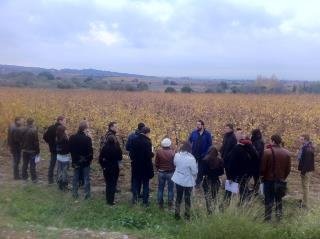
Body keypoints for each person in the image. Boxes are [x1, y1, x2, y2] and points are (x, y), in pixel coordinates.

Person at [261, 134, 291, 221]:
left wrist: (262, 177)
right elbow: (288, 169)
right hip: (280, 180)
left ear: (273, 141)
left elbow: (262, 169)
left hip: (268, 180)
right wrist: (282, 177)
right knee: (279, 199)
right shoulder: (287, 153)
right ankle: (279, 217)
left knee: (268, 200)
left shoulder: (266, 152)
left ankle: (267, 218)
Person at [227, 130, 259, 203]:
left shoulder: (237, 148)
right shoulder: (250, 146)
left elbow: (231, 163)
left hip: (236, 174)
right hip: (246, 173)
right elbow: (256, 158)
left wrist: (230, 175)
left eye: (236, 135)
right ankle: (243, 204)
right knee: (243, 189)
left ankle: (229, 205)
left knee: (230, 192)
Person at [171, 142, 198, 220]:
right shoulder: (191, 159)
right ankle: (187, 216)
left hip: (178, 179)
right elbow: (194, 172)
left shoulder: (177, 155)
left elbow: (175, 164)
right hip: (187, 182)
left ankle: (176, 215)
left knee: (178, 197)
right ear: (189, 149)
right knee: (187, 198)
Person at [69, 120, 93, 199]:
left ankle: (74, 193)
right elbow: (90, 151)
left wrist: (74, 158)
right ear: (85, 129)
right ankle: (87, 194)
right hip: (85, 162)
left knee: (75, 177)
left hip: (76, 161)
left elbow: (70, 149)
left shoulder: (72, 137)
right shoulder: (87, 139)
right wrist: (89, 160)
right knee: (86, 178)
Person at [131, 127, 154, 206]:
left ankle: (135, 200)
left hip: (136, 165)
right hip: (145, 166)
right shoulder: (147, 142)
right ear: (147, 133)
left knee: (136, 182)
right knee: (145, 184)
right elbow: (149, 155)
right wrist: (152, 154)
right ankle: (145, 201)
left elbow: (131, 152)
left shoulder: (134, 140)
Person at [99, 134, 123, 205]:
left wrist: (103, 166)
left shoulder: (104, 147)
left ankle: (108, 200)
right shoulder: (117, 148)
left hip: (106, 167)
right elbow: (120, 158)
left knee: (108, 184)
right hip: (115, 167)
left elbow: (100, 158)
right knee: (113, 183)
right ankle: (112, 200)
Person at [188, 120, 212, 186]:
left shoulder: (207, 134)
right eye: (197, 124)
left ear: (202, 126)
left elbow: (210, 145)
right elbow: (189, 141)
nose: (197, 126)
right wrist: (189, 150)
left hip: (203, 155)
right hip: (194, 154)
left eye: (199, 125)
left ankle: (197, 183)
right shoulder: (194, 133)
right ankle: (189, 181)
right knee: (191, 167)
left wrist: (206, 153)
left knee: (201, 170)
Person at [43, 116, 66, 184]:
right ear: (60, 121)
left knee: (52, 164)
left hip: (53, 149)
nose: (65, 122)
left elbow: (44, 137)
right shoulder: (62, 129)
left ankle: (50, 179)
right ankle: (59, 180)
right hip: (60, 150)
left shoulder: (51, 127)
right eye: (64, 120)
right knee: (60, 165)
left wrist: (50, 143)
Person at [202, 146, 224, 214]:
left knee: (207, 196)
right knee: (214, 196)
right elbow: (221, 172)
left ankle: (209, 210)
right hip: (216, 180)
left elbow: (203, 172)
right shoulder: (220, 160)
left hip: (207, 180)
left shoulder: (205, 160)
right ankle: (213, 209)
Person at [126, 122, 145, 198]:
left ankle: (134, 191)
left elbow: (127, 147)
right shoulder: (143, 137)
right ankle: (138, 192)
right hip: (141, 159)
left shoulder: (131, 136)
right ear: (143, 128)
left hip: (133, 158)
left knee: (134, 175)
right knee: (139, 176)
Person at [155, 138, 175, 209]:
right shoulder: (173, 152)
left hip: (161, 172)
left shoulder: (159, 152)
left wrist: (157, 169)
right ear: (169, 144)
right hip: (170, 172)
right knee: (170, 189)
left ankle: (160, 204)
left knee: (160, 188)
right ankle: (170, 204)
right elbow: (174, 163)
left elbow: (156, 163)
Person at [297, 134, 315, 209]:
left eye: (301, 139)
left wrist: (303, 172)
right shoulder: (306, 147)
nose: (299, 140)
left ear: (305, 140)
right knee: (304, 187)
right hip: (306, 170)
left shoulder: (307, 149)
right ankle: (304, 201)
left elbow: (307, 162)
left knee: (305, 187)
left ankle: (305, 205)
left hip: (306, 171)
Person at [220, 124, 237, 200]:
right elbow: (224, 146)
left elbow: (233, 149)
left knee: (231, 177)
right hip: (225, 159)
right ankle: (228, 193)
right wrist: (221, 153)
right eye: (225, 128)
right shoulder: (226, 136)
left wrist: (227, 156)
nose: (225, 129)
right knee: (228, 176)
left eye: (227, 128)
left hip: (230, 160)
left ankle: (231, 193)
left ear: (231, 129)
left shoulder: (233, 137)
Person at [21, 118, 40, 183]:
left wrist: (22, 147)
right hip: (32, 151)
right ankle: (34, 179)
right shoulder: (34, 130)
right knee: (32, 165)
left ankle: (24, 177)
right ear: (32, 122)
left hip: (24, 150)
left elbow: (20, 140)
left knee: (25, 164)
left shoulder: (23, 129)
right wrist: (38, 151)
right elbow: (36, 142)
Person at [55, 125, 70, 191]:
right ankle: (64, 186)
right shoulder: (65, 139)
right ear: (63, 131)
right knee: (64, 172)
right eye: (66, 130)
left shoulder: (57, 137)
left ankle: (60, 185)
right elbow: (68, 149)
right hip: (65, 158)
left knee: (60, 171)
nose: (67, 131)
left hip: (59, 157)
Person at [251, 129, 265, 193]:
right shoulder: (257, 140)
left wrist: (251, 150)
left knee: (256, 177)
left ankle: (257, 191)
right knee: (256, 177)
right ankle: (256, 190)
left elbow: (258, 153)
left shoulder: (258, 141)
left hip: (256, 162)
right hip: (256, 162)